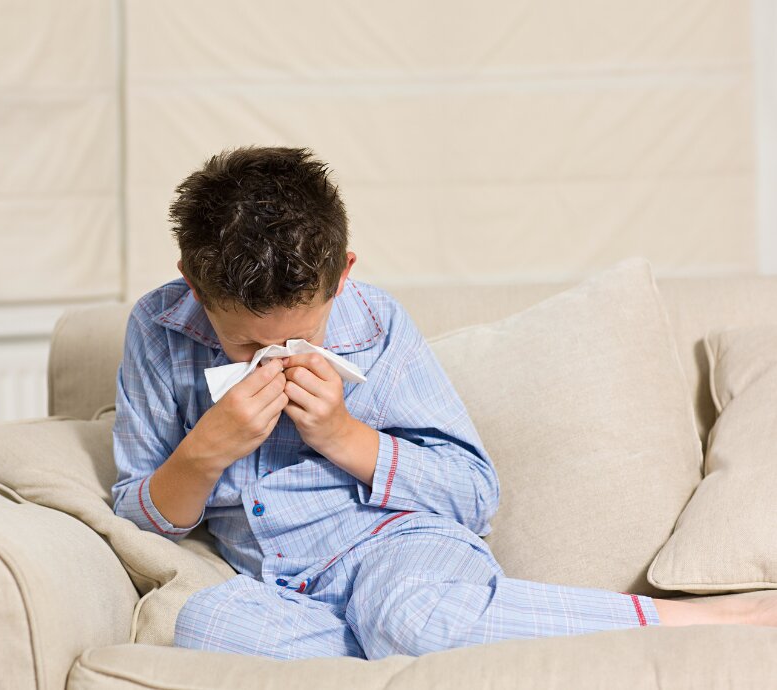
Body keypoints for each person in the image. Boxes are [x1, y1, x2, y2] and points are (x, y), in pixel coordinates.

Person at [111, 145, 773, 660]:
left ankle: (678, 621)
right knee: (204, 627)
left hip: (401, 553)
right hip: (280, 589)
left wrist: (343, 434)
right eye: (246, 345)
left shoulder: (375, 325)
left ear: (342, 275)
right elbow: (138, 514)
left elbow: (474, 495)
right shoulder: (159, 331)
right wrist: (204, 454)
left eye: (300, 336)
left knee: (407, 616)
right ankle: (428, 648)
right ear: (194, 286)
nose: (276, 357)